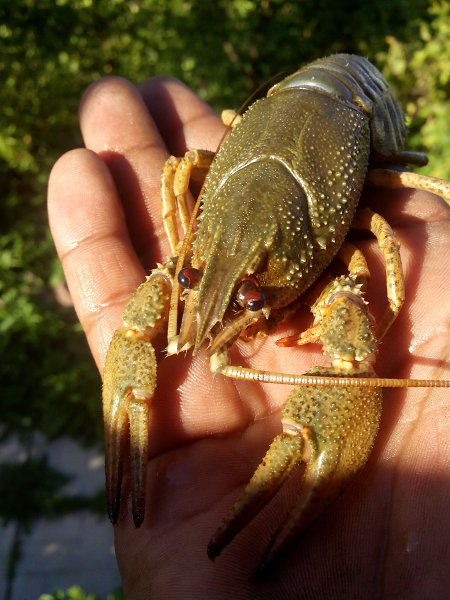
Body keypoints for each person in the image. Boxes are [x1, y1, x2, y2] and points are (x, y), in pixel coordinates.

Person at [48, 75, 449, 599]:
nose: (241, 307)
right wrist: (188, 269)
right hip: (285, 116)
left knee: (349, 361)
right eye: (192, 276)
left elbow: (381, 253)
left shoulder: (339, 259)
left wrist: (388, 307)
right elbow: (178, 171)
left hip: (358, 98)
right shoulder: (202, 236)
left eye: (253, 298)